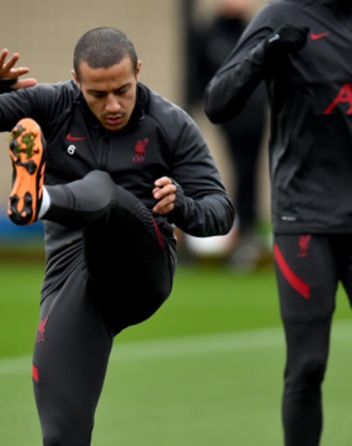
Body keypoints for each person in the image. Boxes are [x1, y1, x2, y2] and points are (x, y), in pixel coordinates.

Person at [0, 27, 234, 445]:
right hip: (73, 271)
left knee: (103, 188)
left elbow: (222, 211)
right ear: (76, 80)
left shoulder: (171, 124)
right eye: (97, 94)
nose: (113, 104)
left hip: (141, 266)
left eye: (123, 89)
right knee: (62, 430)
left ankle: (39, 201)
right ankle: (39, 201)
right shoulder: (53, 103)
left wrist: (181, 207)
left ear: (138, 71)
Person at [204, 1, 352, 444]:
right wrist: (265, 53)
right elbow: (217, 102)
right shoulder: (280, 18)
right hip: (304, 214)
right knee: (307, 365)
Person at [187, 0, 268, 270]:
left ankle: (247, 235)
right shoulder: (209, 34)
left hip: (255, 117)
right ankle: (227, 232)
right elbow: (199, 75)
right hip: (227, 117)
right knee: (230, 172)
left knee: (248, 174)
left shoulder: (255, 30)